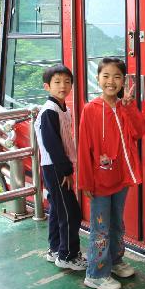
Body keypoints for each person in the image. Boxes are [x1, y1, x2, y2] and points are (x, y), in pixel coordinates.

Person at [78, 57, 145, 289]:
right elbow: (84, 148)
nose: (111, 81)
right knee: (101, 228)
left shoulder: (123, 107)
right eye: (106, 76)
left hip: (121, 179)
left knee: (117, 224)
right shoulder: (90, 109)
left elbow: (139, 132)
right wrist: (85, 181)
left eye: (117, 77)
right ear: (97, 79)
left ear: (123, 81)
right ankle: (96, 274)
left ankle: (115, 261)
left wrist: (129, 106)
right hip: (99, 182)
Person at [34, 64, 87, 271]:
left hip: (58, 168)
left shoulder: (62, 108)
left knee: (58, 209)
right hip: (56, 169)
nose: (63, 86)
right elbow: (52, 144)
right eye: (57, 82)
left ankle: (55, 248)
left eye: (67, 82)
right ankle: (68, 255)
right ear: (47, 86)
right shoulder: (50, 111)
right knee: (71, 213)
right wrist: (66, 170)